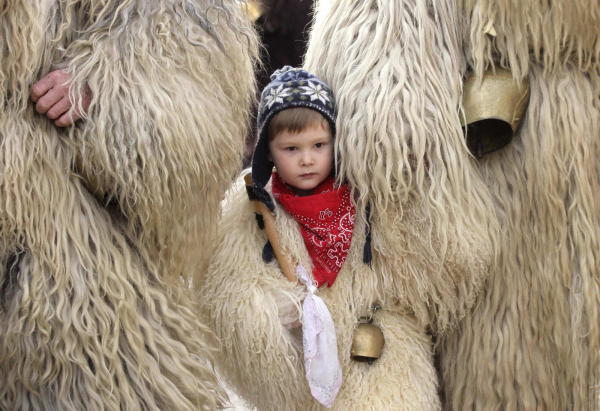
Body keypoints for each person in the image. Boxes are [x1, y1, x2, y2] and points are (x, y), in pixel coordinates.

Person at [197, 67, 458, 410]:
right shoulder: (254, 208)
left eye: (318, 145)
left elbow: (410, 261)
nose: (307, 159)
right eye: (291, 148)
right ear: (269, 153)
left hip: (381, 352)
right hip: (305, 365)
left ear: (336, 140)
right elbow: (229, 287)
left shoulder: (364, 194)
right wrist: (275, 309)